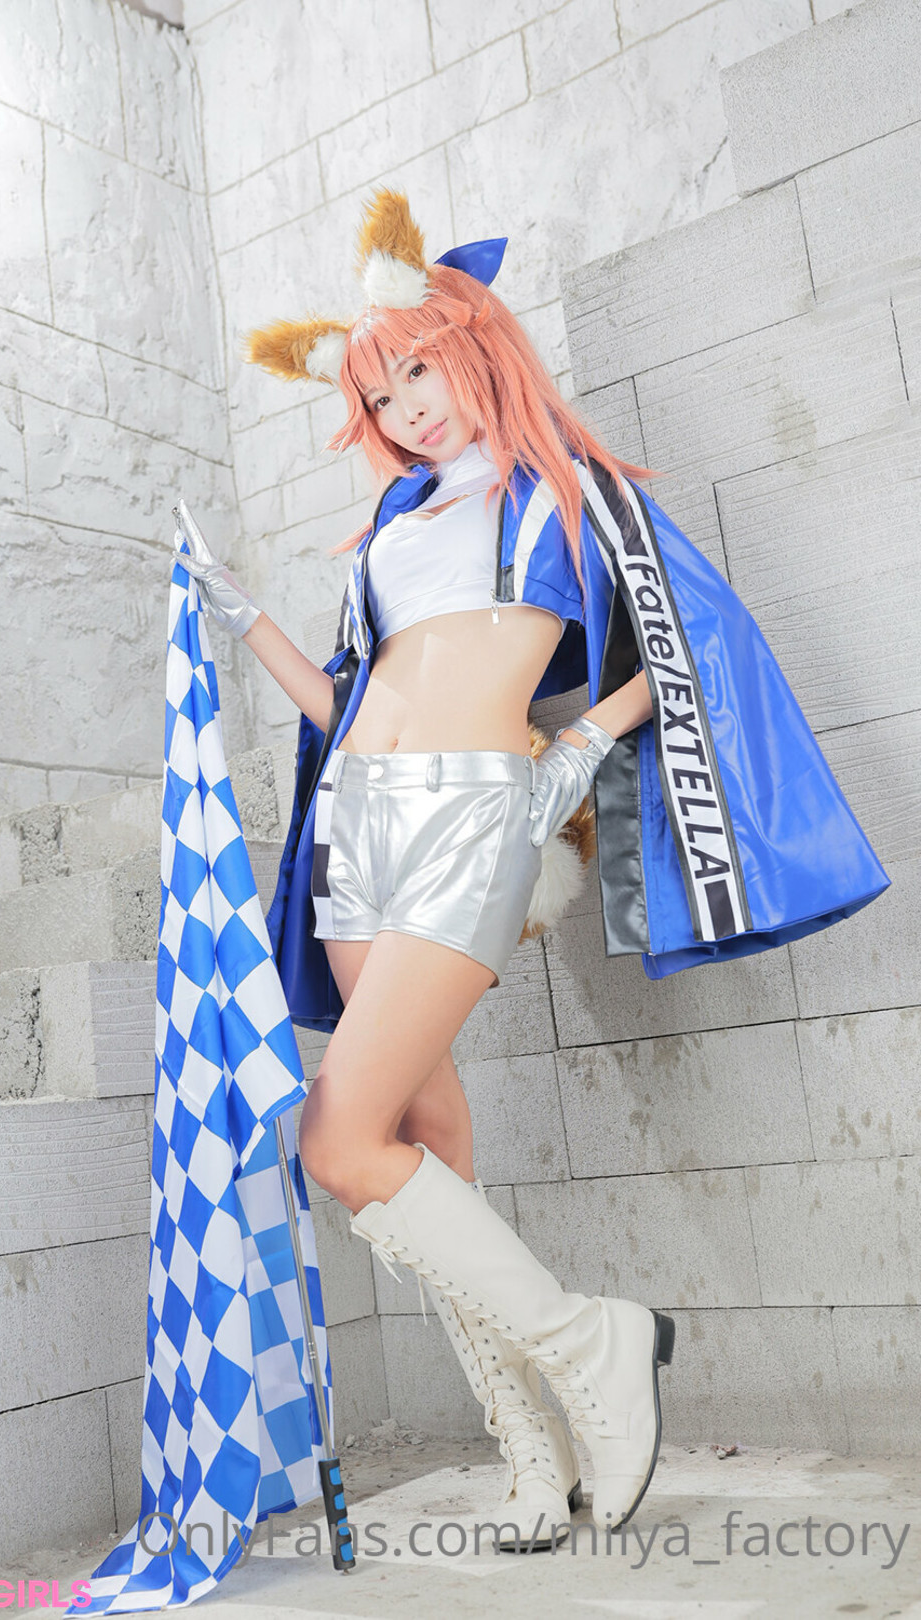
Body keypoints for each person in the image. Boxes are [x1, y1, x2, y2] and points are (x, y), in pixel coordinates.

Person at [174, 189, 890, 1551]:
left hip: (472, 817)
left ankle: (593, 1343)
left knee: (337, 1140)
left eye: (420, 373)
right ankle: (527, 1453)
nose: (407, 412)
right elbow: (348, 708)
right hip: (357, 829)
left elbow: (683, 637)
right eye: (381, 396)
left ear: (475, 350)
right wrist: (247, 617)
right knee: (422, 1144)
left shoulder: (563, 491)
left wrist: (575, 754)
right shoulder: (391, 529)